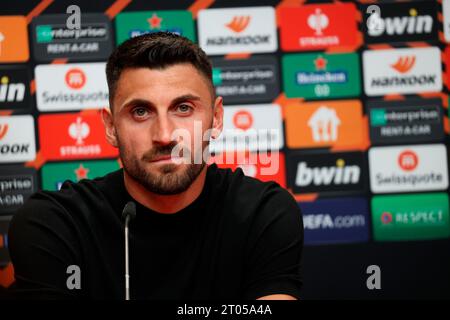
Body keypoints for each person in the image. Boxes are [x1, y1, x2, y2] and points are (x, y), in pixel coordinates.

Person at [7, 32, 304, 300]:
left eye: (183, 108)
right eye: (140, 112)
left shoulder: (264, 212)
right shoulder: (55, 223)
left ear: (216, 118)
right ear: (110, 127)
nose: (164, 135)